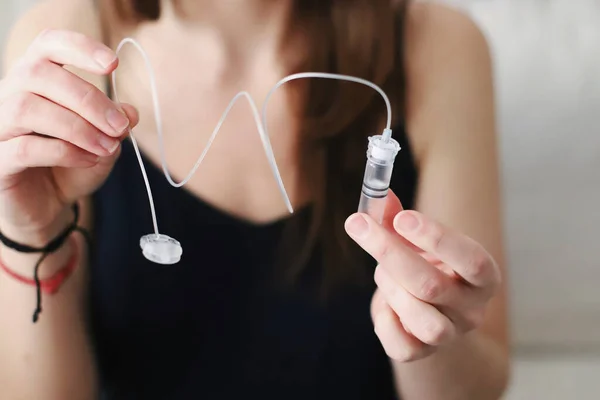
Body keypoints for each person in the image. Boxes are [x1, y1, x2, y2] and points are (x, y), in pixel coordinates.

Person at [0, 0, 509, 399]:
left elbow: (479, 385)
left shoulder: (435, 44)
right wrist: (31, 232)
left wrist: (430, 333)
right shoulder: (62, 45)